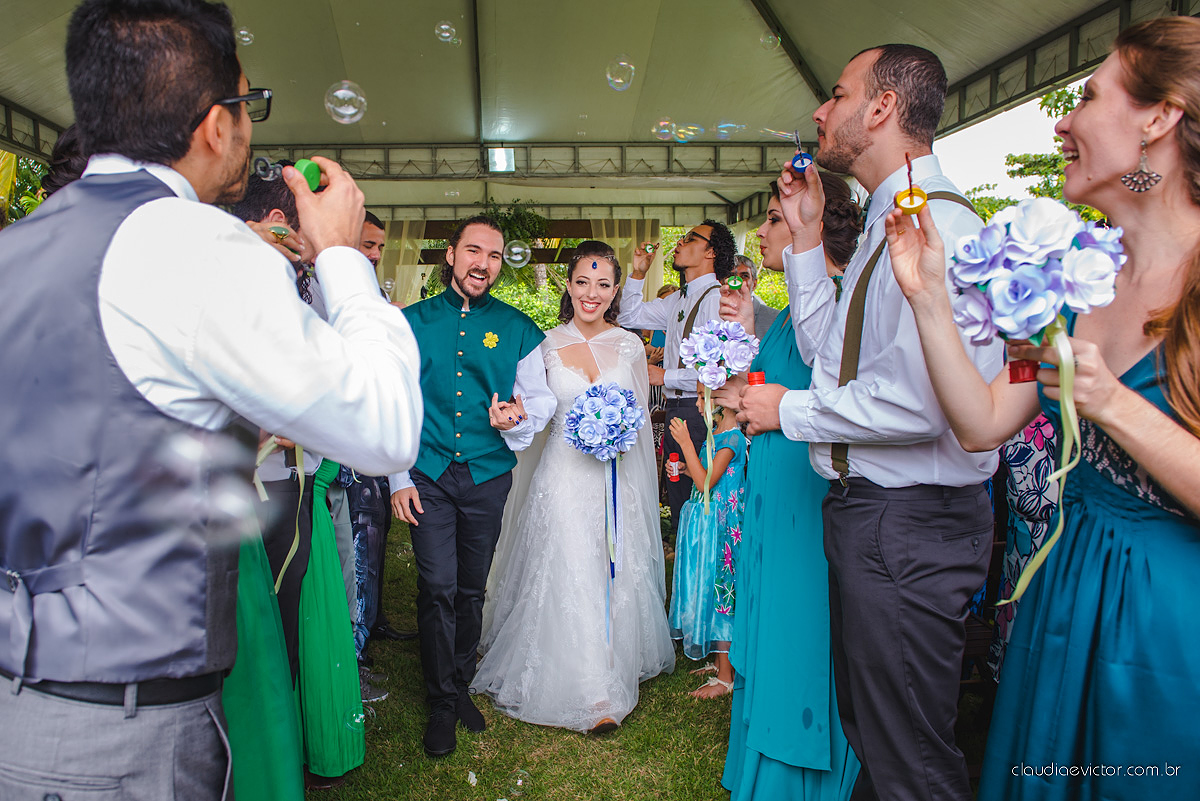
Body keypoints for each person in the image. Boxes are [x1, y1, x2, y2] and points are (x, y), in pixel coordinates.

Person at [0, 1, 422, 798]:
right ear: (214, 124)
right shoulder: (194, 244)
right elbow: (386, 425)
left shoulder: (15, 251)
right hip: (122, 739)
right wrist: (340, 259)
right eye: (247, 105)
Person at [881, 18, 1200, 798]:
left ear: (1158, 118)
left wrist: (1113, 405)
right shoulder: (1077, 275)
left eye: (1087, 97)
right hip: (1065, 589)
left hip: (1168, 620)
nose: (1063, 120)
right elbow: (983, 421)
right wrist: (926, 299)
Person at [737, 44, 1003, 800]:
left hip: (908, 522)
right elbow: (834, 359)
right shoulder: (892, 218)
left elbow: (919, 404)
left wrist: (786, 409)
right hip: (876, 516)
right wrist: (808, 239)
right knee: (881, 740)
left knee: (910, 759)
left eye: (837, 93)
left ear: (882, 108)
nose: (820, 112)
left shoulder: (934, 227)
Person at [472, 241, 674, 733]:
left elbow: (641, 423)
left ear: (615, 290)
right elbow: (536, 415)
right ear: (568, 284)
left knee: (609, 572)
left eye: (604, 284)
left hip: (613, 480)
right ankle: (585, 688)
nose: (592, 293)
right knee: (567, 569)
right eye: (583, 281)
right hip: (561, 476)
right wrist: (513, 418)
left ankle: (609, 675)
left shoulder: (628, 345)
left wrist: (621, 440)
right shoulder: (543, 345)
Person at [717, 175, 862, 801]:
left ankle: (803, 775)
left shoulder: (830, 304)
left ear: (814, 222)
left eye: (774, 218)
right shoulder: (786, 312)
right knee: (769, 615)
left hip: (808, 499)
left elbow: (829, 399)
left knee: (799, 630)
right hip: (773, 489)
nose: (764, 231)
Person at [390, 215, 555, 758]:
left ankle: (459, 685)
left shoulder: (519, 329)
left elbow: (541, 399)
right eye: (474, 251)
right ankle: (439, 701)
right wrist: (396, 476)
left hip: (487, 475)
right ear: (451, 255)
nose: (483, 263)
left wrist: (518, 417)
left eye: (494, 255)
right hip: (427, 474)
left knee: (470, 589)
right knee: (436, 585)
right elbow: (395, 404)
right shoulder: (409, 324)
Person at [619, 221, 737, 537]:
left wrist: (665, 375)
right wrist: (638, 274)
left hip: (700, 414)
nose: (679, 243)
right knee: (680, 498)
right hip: (677, 412)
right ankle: (687, 571)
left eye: (689, 238)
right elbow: (628, 316)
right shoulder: (679, 299)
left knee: (700, 502)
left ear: (710, 251)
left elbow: (719, 371)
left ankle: (707, 575)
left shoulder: (717, 299)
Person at [667, 389, 746, 698]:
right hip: (705, 524)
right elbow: (701, 474)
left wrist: (685, 443)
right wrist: (686, 466)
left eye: (702, 398)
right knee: (708, 587)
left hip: (721, 530)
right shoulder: (717, 435)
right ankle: (717, 660)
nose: (698, 405)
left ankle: (726, 676)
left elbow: (705, 483)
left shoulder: (732, 440)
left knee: (720, 593)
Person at [732, 254, 781, 336]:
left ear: (754, 284)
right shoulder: (714, 311)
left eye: (744, 276)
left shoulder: (776, 319)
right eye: (731, 276)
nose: (737, 281)